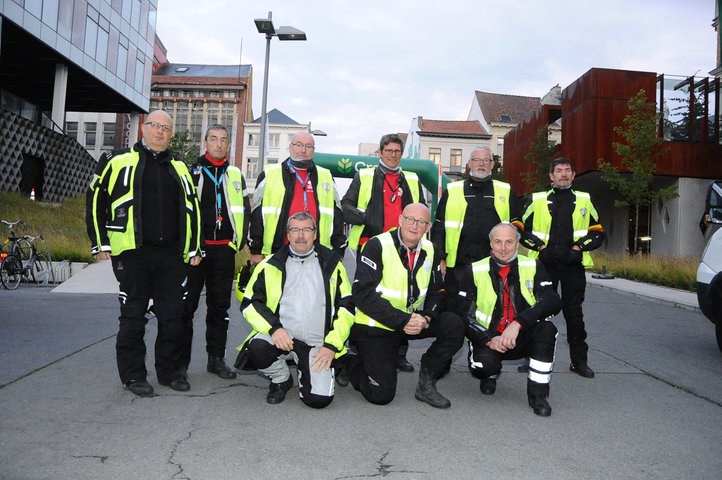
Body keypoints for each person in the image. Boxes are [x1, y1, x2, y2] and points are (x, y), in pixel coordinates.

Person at [86, 110, 201, 397]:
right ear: (144, 128)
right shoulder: (117, 160)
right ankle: (133, 375)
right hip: (132, 253)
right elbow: (95, 199)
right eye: (155, 126)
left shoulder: (180, 166)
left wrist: (194, 248)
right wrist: (100, 242)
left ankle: (170, 372)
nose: (160, 132)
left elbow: (194, 210)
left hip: (172, 255)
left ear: (171, 134)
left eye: (166, 128)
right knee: (133, 317)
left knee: (174, 316)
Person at [346, 203, 465, 409]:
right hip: (377, 323)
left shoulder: (432, 250)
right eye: (410, 219)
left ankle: (426, 382)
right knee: (381, 395)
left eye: (421, 222)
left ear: (428, 228)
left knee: (453, 324)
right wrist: (404, 320)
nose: (414, 225)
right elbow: (362, 294)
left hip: (411, 321)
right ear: (400, 220)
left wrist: (426, 318)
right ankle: (348, 361)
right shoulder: (376, 245)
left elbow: (438, 292)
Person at [236, 212, 354, 408]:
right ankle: (281, 378)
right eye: (295, 230)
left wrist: (332, 345)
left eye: (307, 230)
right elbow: (250, 303)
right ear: (288, 234)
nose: (301, 235)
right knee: (257, 347)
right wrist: (274, 329)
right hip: (283, 337)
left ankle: (306, 367)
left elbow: (347, 307)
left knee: (318, 400)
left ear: (315, 234)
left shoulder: (332, 264)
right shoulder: (269, 265)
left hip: (318, 343)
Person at [456, 223, 561, 416]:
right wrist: (488, 339)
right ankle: (490, 374)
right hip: (490, 336)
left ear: (518, 243)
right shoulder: (475, 270)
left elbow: (552, 301)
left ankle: (538, 396)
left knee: (547, 329)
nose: (503, 248)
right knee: (483, 367)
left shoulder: (533, 265)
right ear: (491, 243)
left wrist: (519, 322)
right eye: (498, 242)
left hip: (521, 333)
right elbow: (463, 314)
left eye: (509, 242)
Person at [342, 133, 426, 373]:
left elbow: (422, 212)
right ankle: (357, 347)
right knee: (365, 297)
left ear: (402, 154)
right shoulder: (365, 175)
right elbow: (345, 206)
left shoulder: (411, 178)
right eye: (388, 151)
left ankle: (399, 353)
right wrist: (367, 217)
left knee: (404, 297)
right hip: (372, 245)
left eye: (397, 151)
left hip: (404, 246)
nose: (392, 155)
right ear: (379, 152)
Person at [521, 157, 605, 378]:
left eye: (568, 170)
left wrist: (579, 248)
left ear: (574, 175)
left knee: (574, 315)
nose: (564, 174)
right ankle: (528, 357)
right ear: (551, 176)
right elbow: (519, 228)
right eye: (559, 171)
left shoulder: (585, 200)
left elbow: (597, 231)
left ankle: (579, 362)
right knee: (537, 311)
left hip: (572, 265)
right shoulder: (537, 199)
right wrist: (539, 246)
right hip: (544, 264)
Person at [181, 124, 250, 381]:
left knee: (219, 308)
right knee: (186, 307)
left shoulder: (234, 174)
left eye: (223, 140)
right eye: (214, 139)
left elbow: (244, 209)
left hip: (224, 251)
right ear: (204, 142)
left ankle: (216, 359)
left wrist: (239, 241)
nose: (219, 144)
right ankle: (180, 363)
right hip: (196, 252)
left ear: (229, 144)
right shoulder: (191, 172)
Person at [431, 145, 523, 312]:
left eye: (486, 160)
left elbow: (518, 225)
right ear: (469, 164)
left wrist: (509, 250)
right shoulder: (452, 190)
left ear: (492, 165)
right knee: (454, 312)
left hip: (494, 265)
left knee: (491, 311)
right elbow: (439, 226)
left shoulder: (506, 191)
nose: (481, 163)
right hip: (457, 265)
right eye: (477, 160)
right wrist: (440, 257)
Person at [248, 132, 346, 266]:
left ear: (313, 150)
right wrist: (256, 249)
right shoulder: (269, 174)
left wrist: (339, 250)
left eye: (308, 146)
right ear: (290, 147)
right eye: (299, 145)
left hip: (319, 253)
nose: (303, 150)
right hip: (276, 251)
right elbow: (255, 214)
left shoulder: (326, 177)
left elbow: (338, 216)